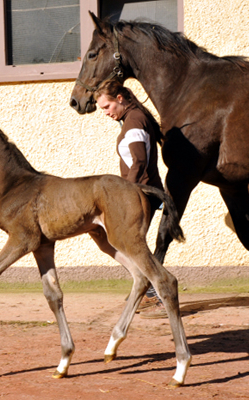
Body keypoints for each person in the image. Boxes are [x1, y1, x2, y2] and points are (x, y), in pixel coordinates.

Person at [94, 80, 167, 319]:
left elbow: (139, 161)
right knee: (126, 244)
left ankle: (156, 295)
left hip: (141, 194)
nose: (105, 113)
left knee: (131, 246)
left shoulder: (134, 121)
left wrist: (125, 193)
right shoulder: (134, 117)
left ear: (120, 99)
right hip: (143, 193)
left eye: (107, 107)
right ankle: (147, 291)